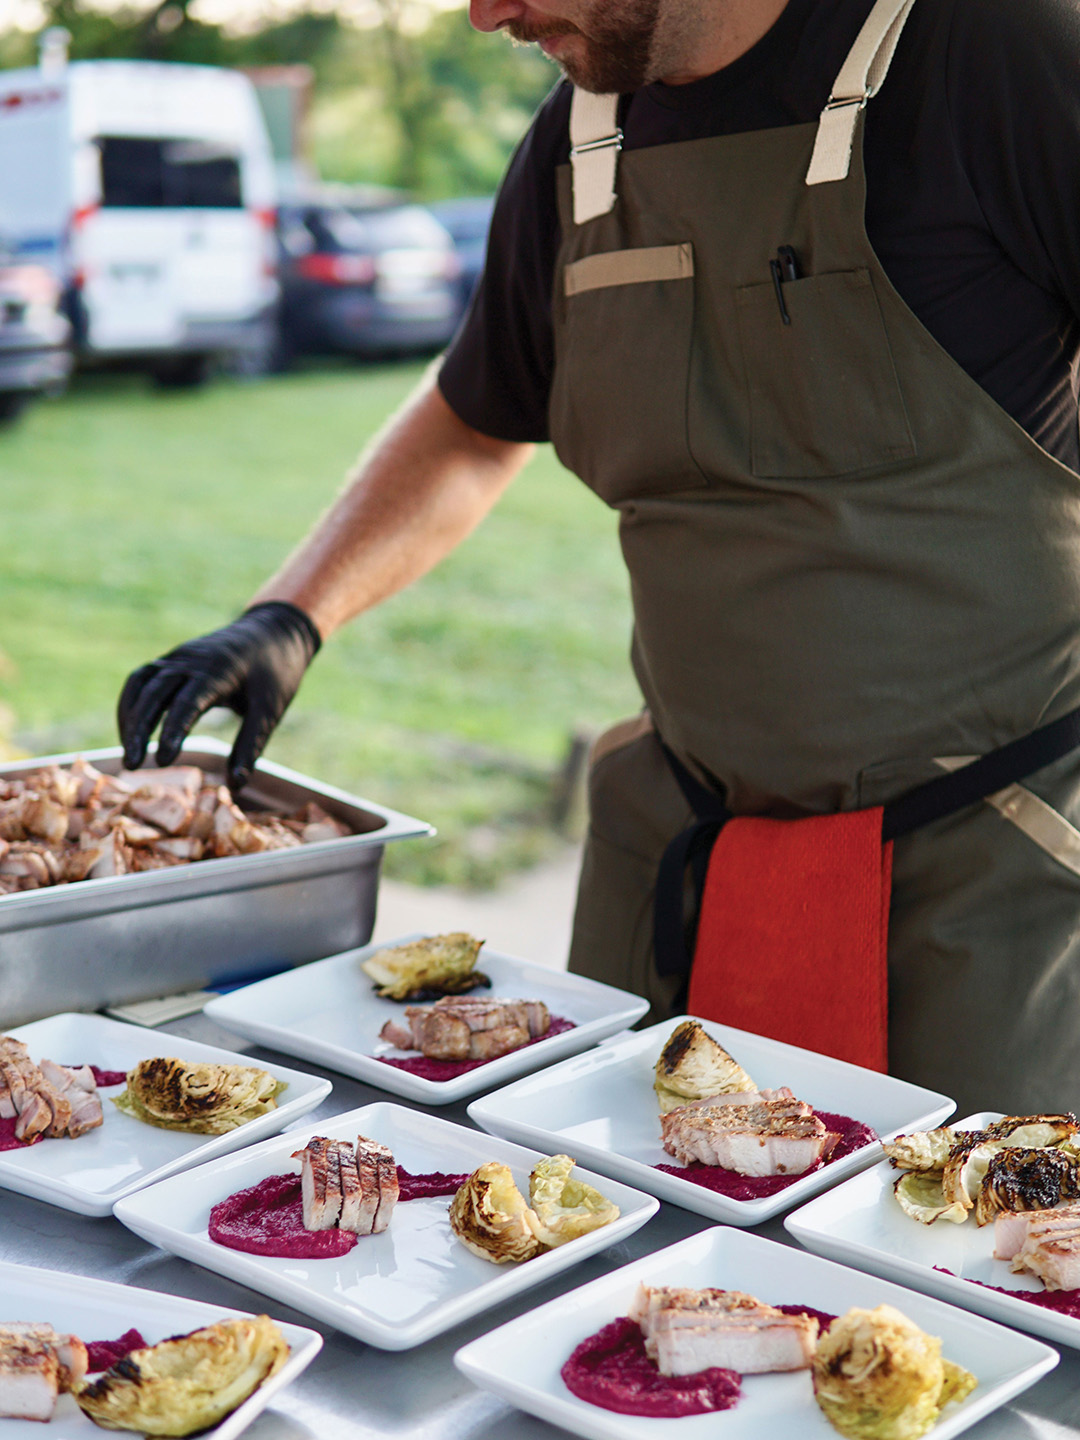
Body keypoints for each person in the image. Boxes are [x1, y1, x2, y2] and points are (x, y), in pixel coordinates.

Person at [118, 0, 1080, 1117]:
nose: (485, 14)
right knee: (629, 1256)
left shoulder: (990, 50)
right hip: (680, 857)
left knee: (975, 1263)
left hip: (995, 878)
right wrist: (290, 615)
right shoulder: (578, 149)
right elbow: (476, 419)